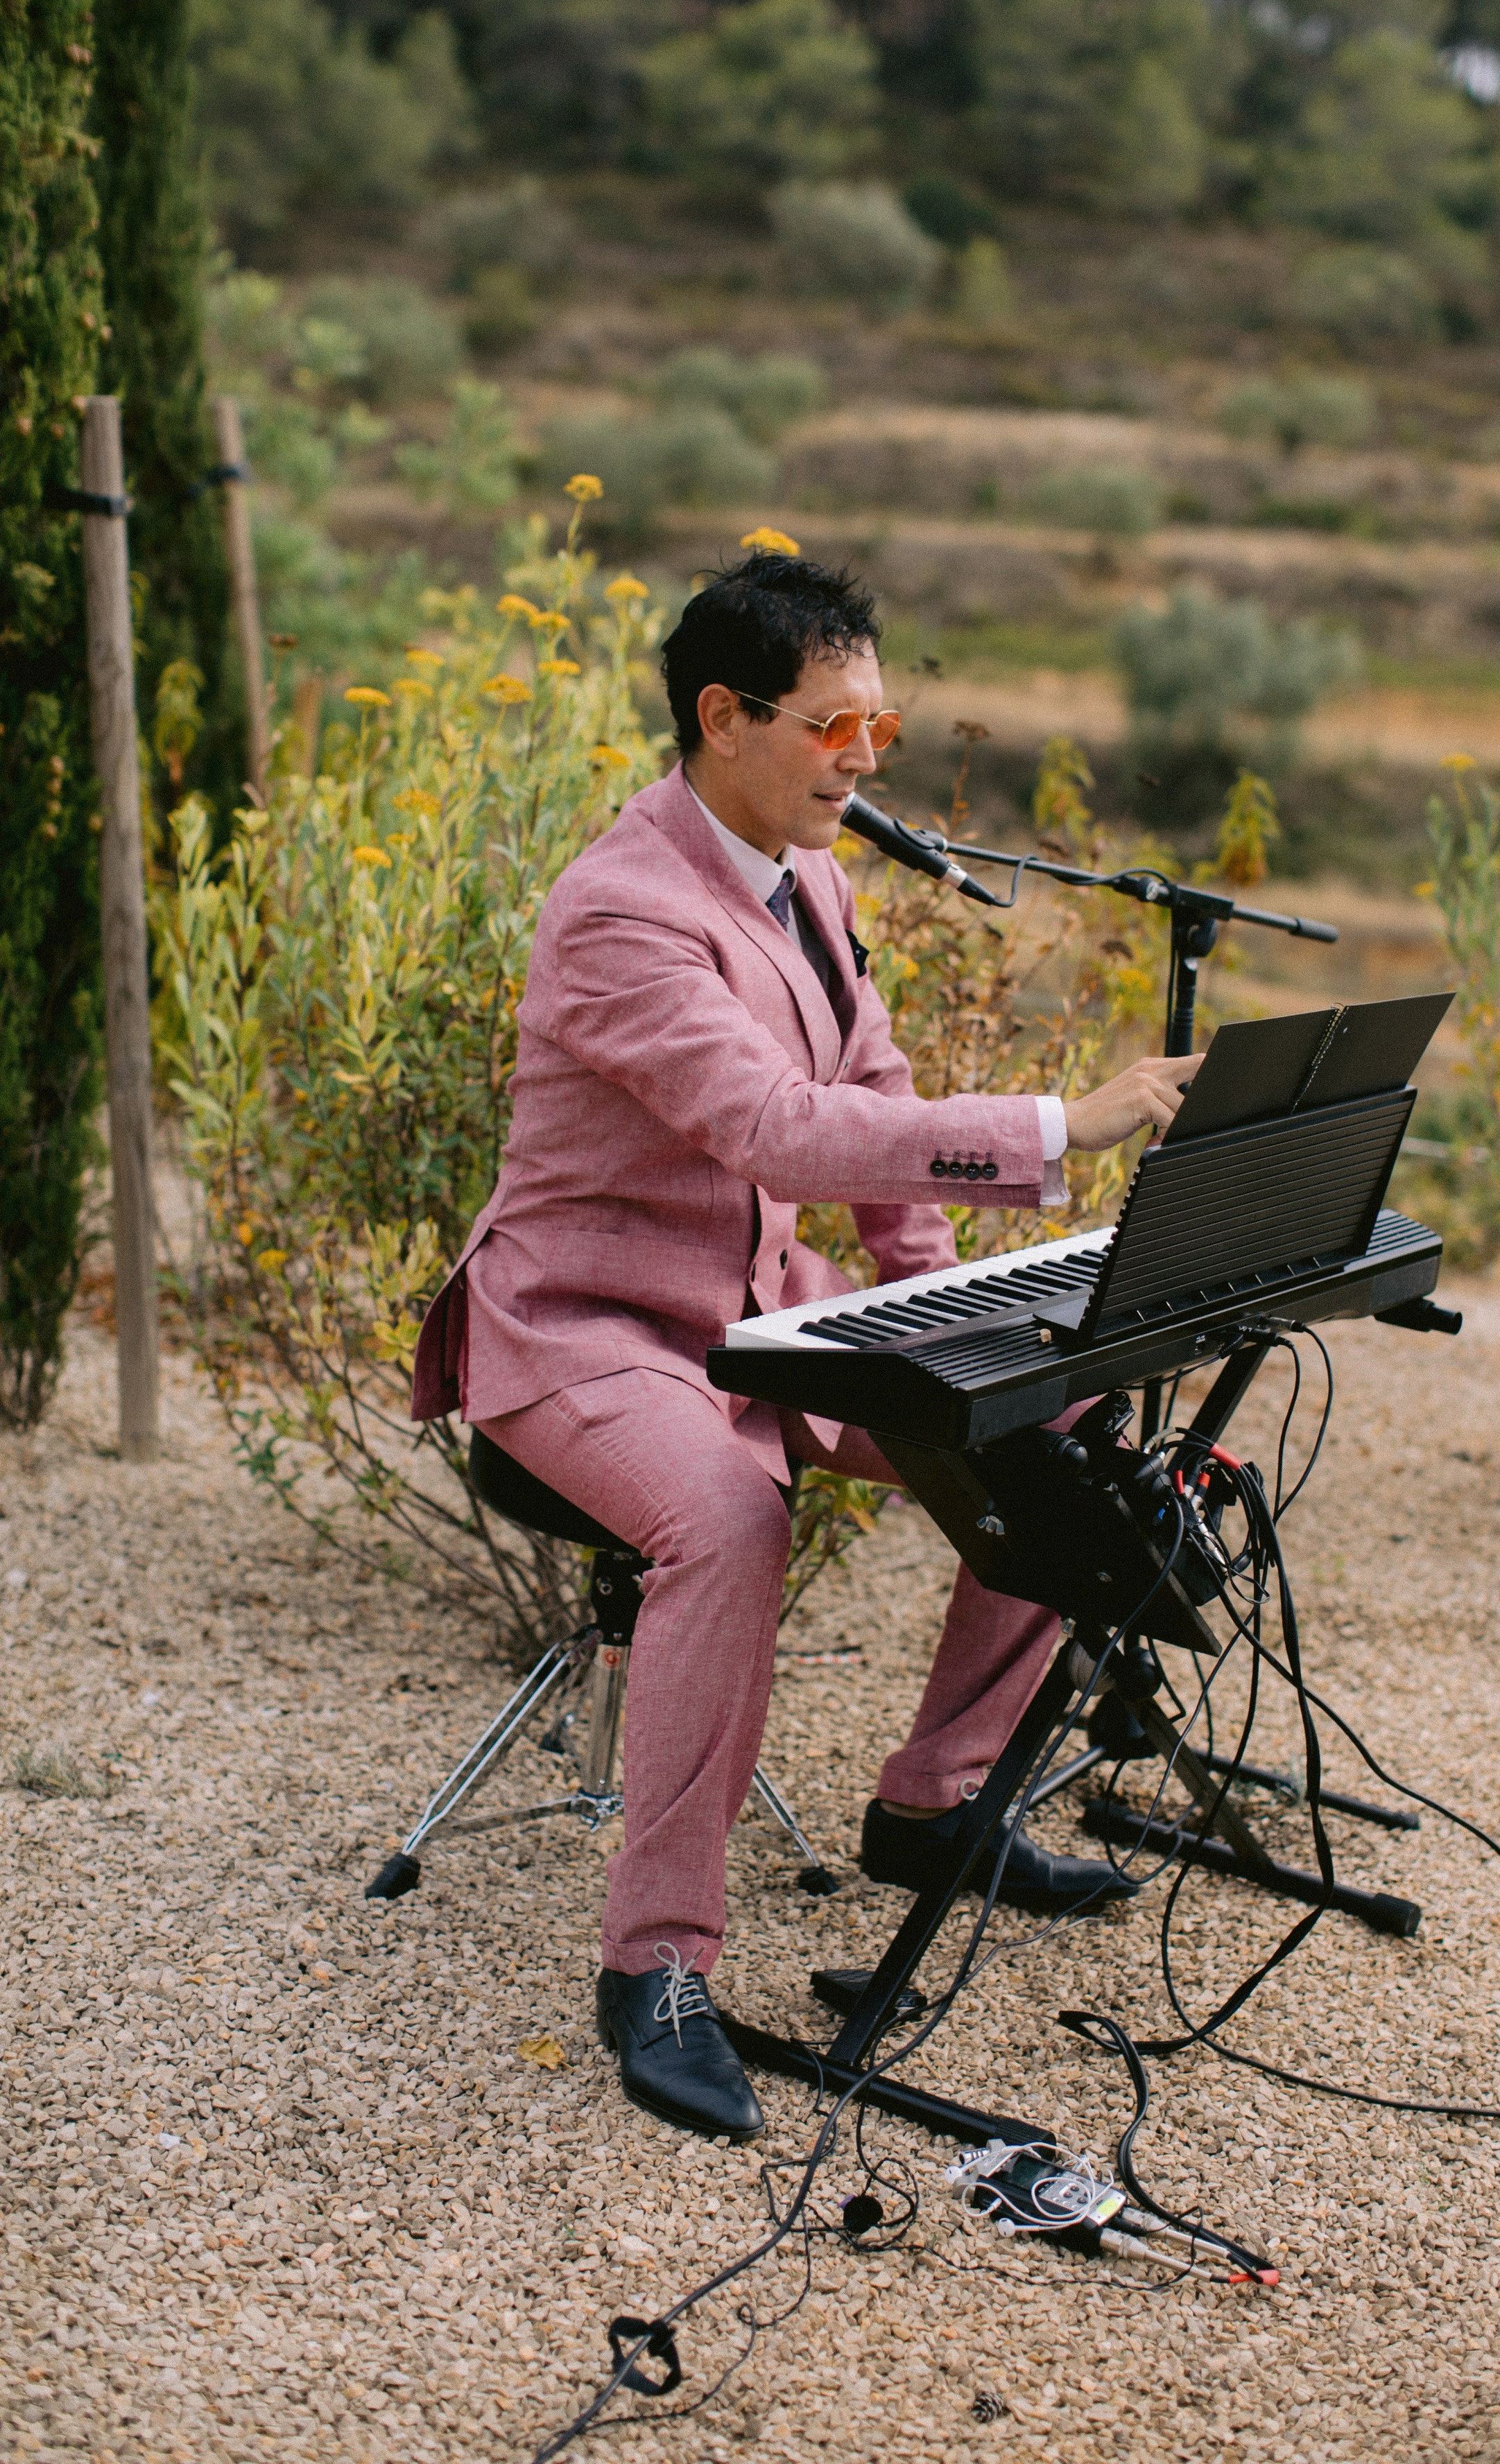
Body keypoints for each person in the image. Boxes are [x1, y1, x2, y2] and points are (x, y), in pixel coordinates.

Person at [411, 550, 1199, 2141]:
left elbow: (886, 1111)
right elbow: (776, 1122)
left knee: (1044, 1408)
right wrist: (1072, 1121)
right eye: (836, 726)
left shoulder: (812, 881)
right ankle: (658, 1969)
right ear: (722, 717)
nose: (865, 760)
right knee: (724, 1513)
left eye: (881, 723)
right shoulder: (618, 910)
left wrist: (967, 1329)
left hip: (754, 1311)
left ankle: (942, 1798)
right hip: (583, 1326)